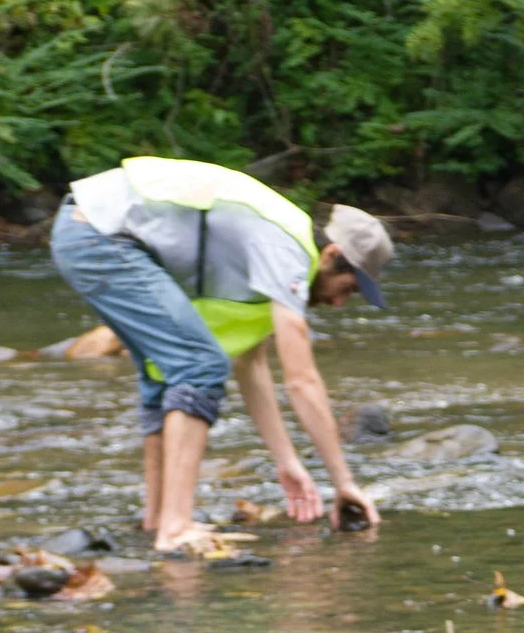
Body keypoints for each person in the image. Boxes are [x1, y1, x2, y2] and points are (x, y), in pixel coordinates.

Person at [50, 156, 389, 551]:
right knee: (199, 365)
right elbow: (302, 381)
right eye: (348, 288)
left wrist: (287, 461)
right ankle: (175, 528)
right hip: (99, 232)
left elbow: (252, 363)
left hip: (87, 226)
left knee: (167, 372)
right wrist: (344, 482)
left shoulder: (276, 253)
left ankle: (158, 519)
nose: (339, 304)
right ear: (330, 254)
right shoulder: (288, 250)